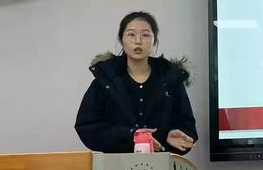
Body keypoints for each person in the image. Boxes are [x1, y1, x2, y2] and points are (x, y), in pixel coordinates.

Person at [75, 11, 197, 155]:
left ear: (154, 41)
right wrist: (130, 135)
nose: (138, 41)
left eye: (145, 35)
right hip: (116, 164)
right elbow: (87, 127)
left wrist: (168, 136)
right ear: (121, 39)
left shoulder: (171, 78)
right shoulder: (105, 79)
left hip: (161, 163)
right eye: (131, 34)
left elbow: (187, 127)